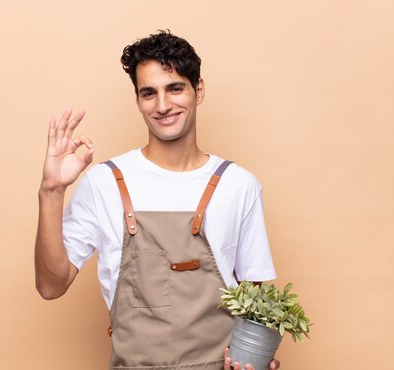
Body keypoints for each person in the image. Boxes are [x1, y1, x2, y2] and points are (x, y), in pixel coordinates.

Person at [34, 30, 279, 370]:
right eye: (149, 93)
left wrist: (257, 358)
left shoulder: (239, 185)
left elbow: (256, 304)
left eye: (175, 88)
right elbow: (50, 285)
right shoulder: (103, 182)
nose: (162, 106)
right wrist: (51, 191)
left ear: (199, 90)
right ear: (137, 100)